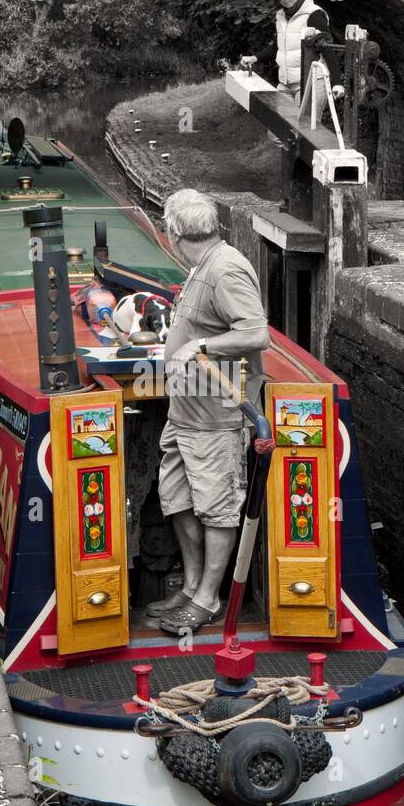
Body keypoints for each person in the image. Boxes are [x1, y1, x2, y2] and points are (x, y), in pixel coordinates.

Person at [148, 189, 270, 636]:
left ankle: (207, 598)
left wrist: (200, 345)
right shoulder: (202, 265)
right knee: (178, 499)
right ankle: (193, 582)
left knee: (217, 508)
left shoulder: (227, 268)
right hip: (185, 414)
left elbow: (256, 334)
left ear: (174, 233)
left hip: (218, 419)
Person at [260, 0, 332, 97]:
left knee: (306, 118)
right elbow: (278, 46)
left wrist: (337, 83)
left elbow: (328, 49)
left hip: (310, 83)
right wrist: (255, 58)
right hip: (284, 84)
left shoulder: (314, 14)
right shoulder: (281, 16)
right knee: (277, 117)